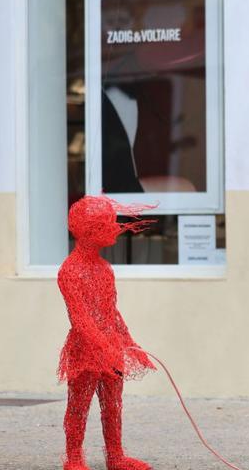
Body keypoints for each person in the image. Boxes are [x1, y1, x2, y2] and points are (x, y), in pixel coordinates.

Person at [57, 196, 155, 470]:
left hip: (111, 348)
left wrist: (129, 344)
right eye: (107, 225)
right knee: (80, 404)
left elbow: (112, 312)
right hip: (85, 350)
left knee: (112, 405)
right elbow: (80, 318)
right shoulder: (70, 271)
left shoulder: (104, 269)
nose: (115, 229)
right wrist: (103, 345)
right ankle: (74, 458)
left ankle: (116, 456)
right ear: (90, 231)